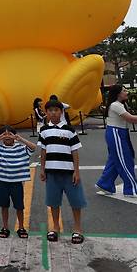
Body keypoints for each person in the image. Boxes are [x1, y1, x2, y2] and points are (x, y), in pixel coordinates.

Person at [38, 100, 86, 244]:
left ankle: (78, 229)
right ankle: (55, 227)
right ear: (46, 113)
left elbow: (75, 151)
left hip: (68, 172)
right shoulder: (44, 130)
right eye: (50, 110)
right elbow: (43, 151)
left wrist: (76, 171)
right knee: (53, 202)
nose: (53, 113)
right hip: (51, 172)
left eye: (56, 110)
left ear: (61, 112)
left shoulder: (69, 130)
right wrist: (42, 169)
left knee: (76, 201)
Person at [95, 84, 137, 197]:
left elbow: (130, 117)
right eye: (124, 90)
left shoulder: (120, 104)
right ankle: (131, 189)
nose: (127, 92)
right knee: (125, 161)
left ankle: (104, 183)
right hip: (116, 133)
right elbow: (130, 118)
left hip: (119, 133)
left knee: (115, 160)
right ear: (118, 94)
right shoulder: (116, 105)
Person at [0, 126, 36, 239]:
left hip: (17, 183)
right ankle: (5, 227)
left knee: (19, 207)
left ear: (14, 136)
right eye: (4, 134)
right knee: (4, 206)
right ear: (1, 137)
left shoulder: (21, 148)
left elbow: (33, 147)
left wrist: (20, 139)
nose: (7, 136)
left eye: (9, 134)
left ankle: (21, 227)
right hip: (3, 182)